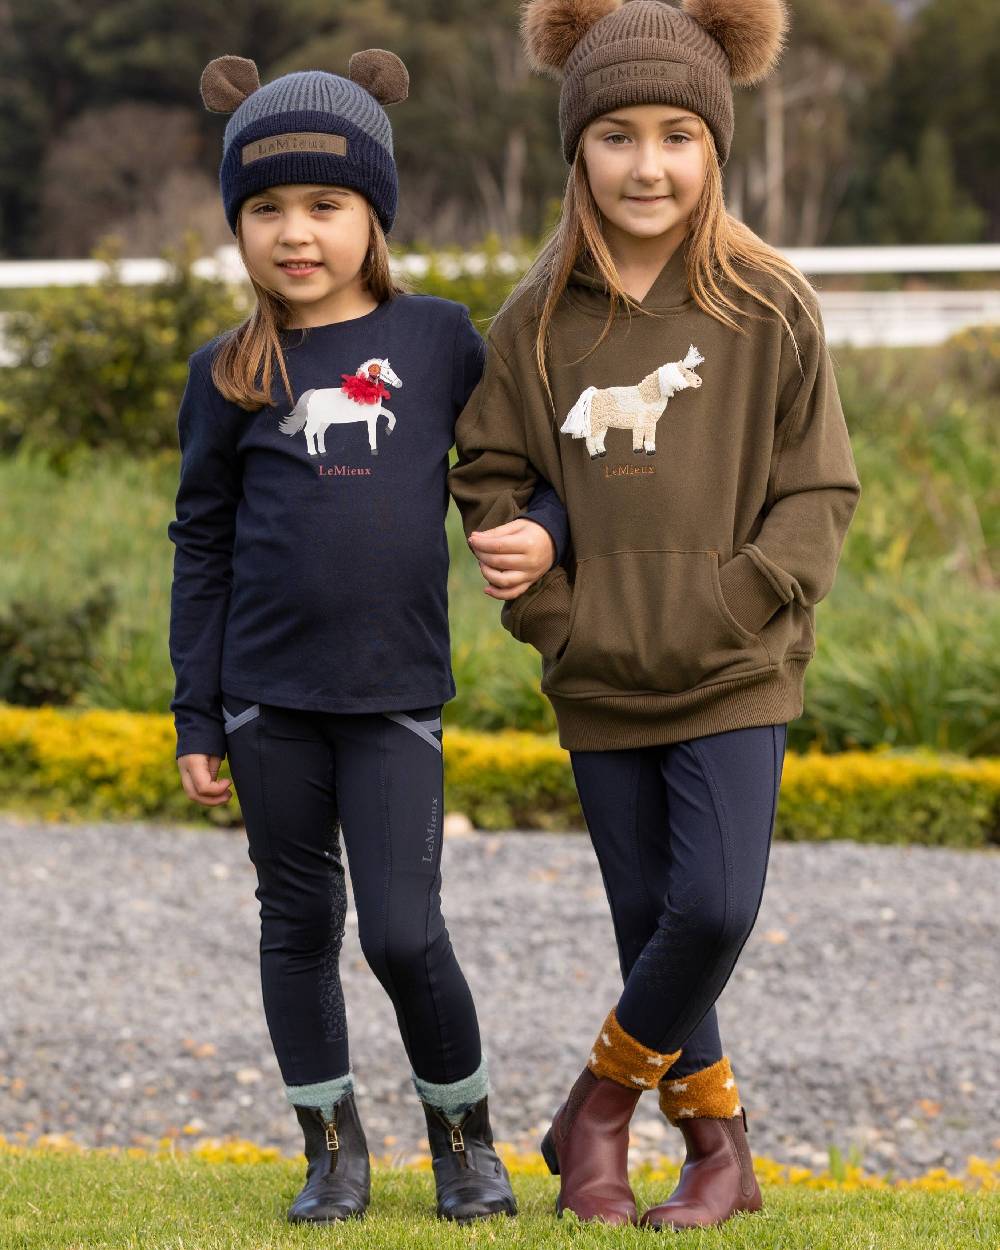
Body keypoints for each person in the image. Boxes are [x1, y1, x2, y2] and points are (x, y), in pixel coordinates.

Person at [449, 0, 861, 1230]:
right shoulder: (534, 323)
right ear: (577, 149)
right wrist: (545, 590)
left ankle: (592, 1107)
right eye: (618, 134)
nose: (648, 163)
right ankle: (718, 1150)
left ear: (713, 146)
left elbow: (819, 487)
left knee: (718, 906)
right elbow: (492, 474)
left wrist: (742, 598)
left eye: (677, 134)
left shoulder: (769, 304)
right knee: (655, 925)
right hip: (600, 671)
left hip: (735, 665)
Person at [167, 50, 568, 1225]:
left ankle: (464, 1142)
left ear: (372, 215)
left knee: (402, 929)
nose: (297, 233)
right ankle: (331, 1150)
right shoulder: (229, 372)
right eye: (267, 208)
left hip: (393, 695)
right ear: (238, 224)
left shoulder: (440, 340)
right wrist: (198, 709)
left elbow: (528, 468)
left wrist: (540, 530)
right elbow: (202, 546)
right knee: (298, 925)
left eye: (325, 205)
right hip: (264, 703)